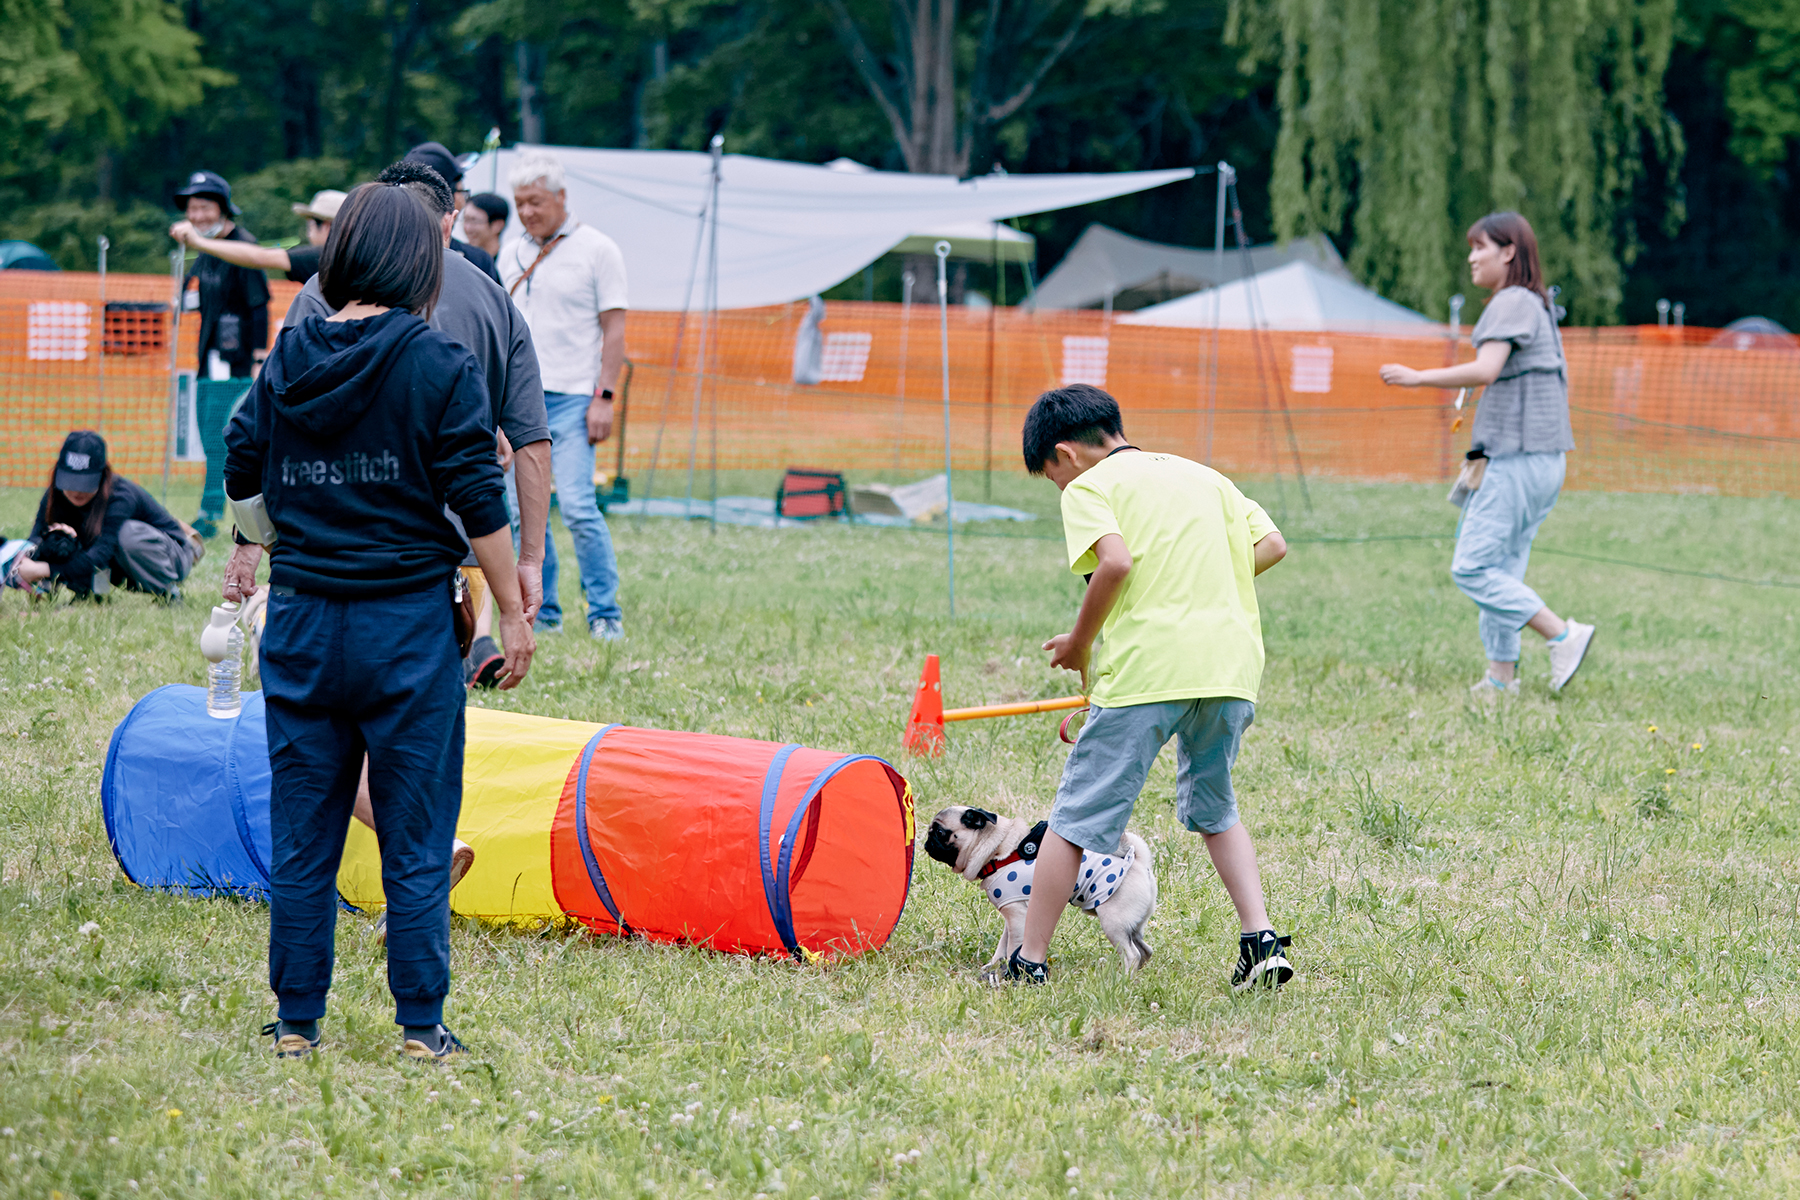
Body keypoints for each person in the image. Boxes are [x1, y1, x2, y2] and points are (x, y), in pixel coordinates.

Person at [223, 181, 534, 1061]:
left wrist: (270, 539)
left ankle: (295, 1025)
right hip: (406, 630)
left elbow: (242, 460)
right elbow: (479, 498)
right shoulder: (439, 364)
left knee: (304, 831)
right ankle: (419, 1028)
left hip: (305, 625)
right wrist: (510, 613)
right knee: (417, 829)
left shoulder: (287, 356)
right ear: (422, 261)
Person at [1007, 385, 1293, 992]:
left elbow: (1113, 563)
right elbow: (1271, 545)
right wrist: (1202, 589)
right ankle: (1260, 940)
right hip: (1229, 669)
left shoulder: (1089, 487)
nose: (1060, 489)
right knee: (1218, 809)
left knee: (1075, 819)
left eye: (1052, 477)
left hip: (1148, 672)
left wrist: (1081, 643)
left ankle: (1028, 958)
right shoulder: (1206, 476)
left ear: (1066, 454)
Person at [1379, 211, 1596, 696]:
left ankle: (1563, 634)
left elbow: (1487, 368)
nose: (1471, 258)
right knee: (1501, 572)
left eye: (1480, 247)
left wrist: (1417, 377)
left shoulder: (1512, 300)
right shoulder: (1532, 304)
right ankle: (1501, 680)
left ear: (1509, 252)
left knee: (1472, 568)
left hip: (1515, 459)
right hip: (1539, 460)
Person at [502, 151, 630, 639]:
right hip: (518, 401)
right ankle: (546, 610)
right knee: (521, 513)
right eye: (520, 203)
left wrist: (605, 395)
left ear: (560, 197)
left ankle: (604, 612)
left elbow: (614, 330)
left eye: (535, 201)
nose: (528, 212)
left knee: (577, 504)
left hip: (576, 395)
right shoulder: (509, 252)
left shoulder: (599, 249)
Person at [5, 431, 199, 602]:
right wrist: (25, 561)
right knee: (61, 537)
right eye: (70, 481)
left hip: (172, 557)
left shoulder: (121, 496)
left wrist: (44, 569)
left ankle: (167, 592)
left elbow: (100, 556)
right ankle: (90, 596)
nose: (76, 490)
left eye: (84, 482)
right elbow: (35, 540)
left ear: (102, 475)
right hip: (119, 563)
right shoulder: (55, 495)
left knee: (126, 535)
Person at [173, 170, 269, 379]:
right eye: (192, 209)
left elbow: (259, 305)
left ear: (223, 209)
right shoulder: (206, 247)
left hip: (236, 360)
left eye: (205, 208)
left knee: (227, 410)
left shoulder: (244, 246)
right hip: (208, 351)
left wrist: (259, 360)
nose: (198, 217)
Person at [170, 189, 346, 285]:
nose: (308, 233)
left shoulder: (325, 257)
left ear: (327, 226)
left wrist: (198, 241)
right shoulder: (366, 256)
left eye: (310, 224)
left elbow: (260, 256)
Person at [401, 141, 501, 284]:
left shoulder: (380, 255)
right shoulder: (475, 262)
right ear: (448, 197)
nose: (463, 202)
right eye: (462, 191)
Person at [461, 193, 509, 259]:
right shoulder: (462, 258)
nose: (468, 228)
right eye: (466, 220)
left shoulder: (509, 263)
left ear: (498, 226)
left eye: (474, 221)